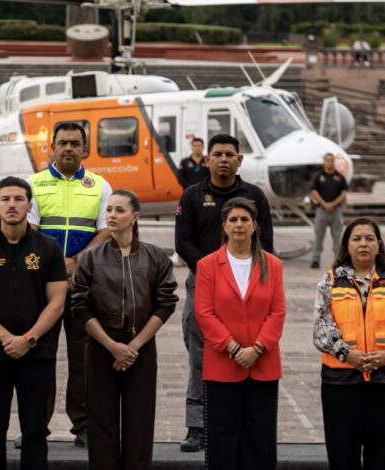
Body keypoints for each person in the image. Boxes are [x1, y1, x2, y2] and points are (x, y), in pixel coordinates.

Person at [0, 176, 67, 470]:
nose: (12, 204)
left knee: (35, 432)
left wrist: (28, 339)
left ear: (29, 206)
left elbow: (57, 302)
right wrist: (7, 338)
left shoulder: (49, 248)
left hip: (37, 354)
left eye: (19, 199)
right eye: (5, 199)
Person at [174, 133, 274, 452]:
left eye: (230, 154)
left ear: (239, 160)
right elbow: (183, 242)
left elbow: (267, 244)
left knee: (246, 351)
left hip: (248, 286)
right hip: (202, 283)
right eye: (217, 154)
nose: (223, 160)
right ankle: (197, 426)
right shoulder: (192, 195)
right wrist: (210, 272)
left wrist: (245, 273)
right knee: (200, 356)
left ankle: (237, 423)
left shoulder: (254, 196)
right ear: (207, 160)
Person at [72, 189, 178, 470]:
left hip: (140, 347)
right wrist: (111, 346)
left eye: (119, 210)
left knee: (139, 423)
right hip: (101, 347)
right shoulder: (91, 258)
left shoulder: (155, 257)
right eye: (109, 209)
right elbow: (80, 306)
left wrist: (133, 346)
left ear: (135, 216)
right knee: (101, 423)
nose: (112, 215)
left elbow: (166, 304)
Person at [26, 121, 111, 448]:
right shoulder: (34, 183)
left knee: (83, 360)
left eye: (75, 143)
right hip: (42, 287)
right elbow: (30, 229)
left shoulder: (100, 186)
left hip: (83, 286)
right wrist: (55, 264)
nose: (68, 148)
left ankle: (84, 425)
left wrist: (78, 261)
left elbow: (106, 230)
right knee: (39, 357)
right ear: (52, 147)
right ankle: (35, 425)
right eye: (62, 143)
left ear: (85, 149)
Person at [313, 217, 385, 470]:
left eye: (370, 239)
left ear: (378, 245)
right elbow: (321, 328)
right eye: (356, 238)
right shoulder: (330, 281)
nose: (363, 244)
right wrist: (348, 354)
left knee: (381, 455)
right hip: (340, 380)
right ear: (347, 245)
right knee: (342, 454)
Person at [194, 197, 285, 470]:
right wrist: (233, 348)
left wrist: (257, 348)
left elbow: (277, 312)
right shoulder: (207, 265)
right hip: (223, 364)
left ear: (254, 225)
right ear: (224, 226)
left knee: (260, 440)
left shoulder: (273, 265)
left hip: (262, 364)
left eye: (245, 219)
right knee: (222, 439)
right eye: (233, 220)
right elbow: (204, 313)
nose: (239, 225)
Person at [310, 153, 347, 269]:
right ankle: (315, 260)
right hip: (321, 211)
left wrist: (333, 204)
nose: (330, 162)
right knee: (318, 237)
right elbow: (314, 191)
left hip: (336, 211)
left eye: (332, 160)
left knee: (337, 238)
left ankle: (338, 261)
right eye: (327, 160)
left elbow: (343, 193)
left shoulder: (340, 177)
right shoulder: (318, 176)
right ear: (324, 161)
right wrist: (324, 204)